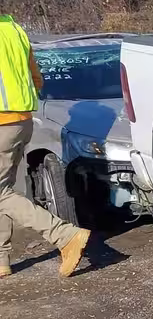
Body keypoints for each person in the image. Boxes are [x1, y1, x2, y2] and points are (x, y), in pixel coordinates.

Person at [0, 14, 90, 278]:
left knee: (1, 194)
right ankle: (2, 259)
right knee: (3, 189)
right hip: (21, 120)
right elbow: (35, 78)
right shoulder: (14, 29)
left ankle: (65, 235)